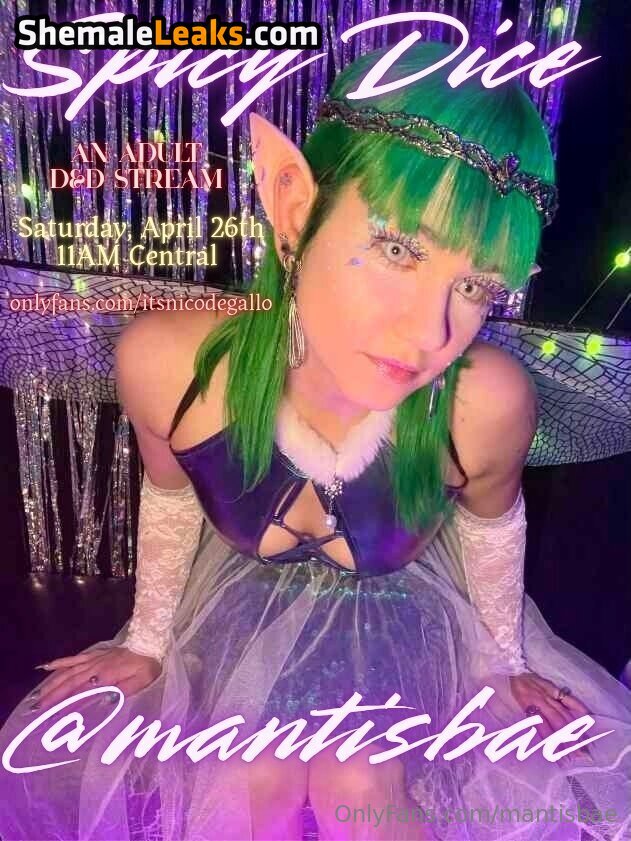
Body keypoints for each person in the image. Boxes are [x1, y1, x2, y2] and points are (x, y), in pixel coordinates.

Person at [1, 41, 630, 841]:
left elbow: (490, 525)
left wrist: (500, 661)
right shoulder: (168, 365)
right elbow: (169, 491)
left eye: (474, 285)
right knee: (247, 777)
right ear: (294, 207)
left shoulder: (483, 404)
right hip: (238, 603)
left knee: (357, 775)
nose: (429, 332)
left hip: (403, 608)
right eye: (398, 248)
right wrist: (148, 640)